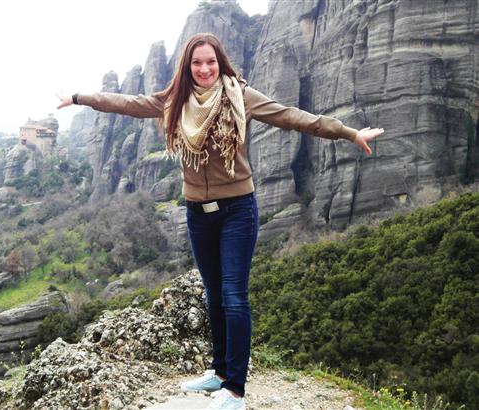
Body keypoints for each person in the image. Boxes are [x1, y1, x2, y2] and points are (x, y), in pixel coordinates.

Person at [58, 33, 383, 410]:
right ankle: (218, 371)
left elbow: (291, 116)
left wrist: (349, 132)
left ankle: (235, 390)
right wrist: (80, 97)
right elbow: (127, 103)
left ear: (220, 62)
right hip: (198, 213)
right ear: (187, 66)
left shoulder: (239, 95)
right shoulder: (174, 100)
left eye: (210, 61)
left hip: (237, 210)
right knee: (212, 294)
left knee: (233, 295)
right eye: (197, 62)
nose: (204, 69)